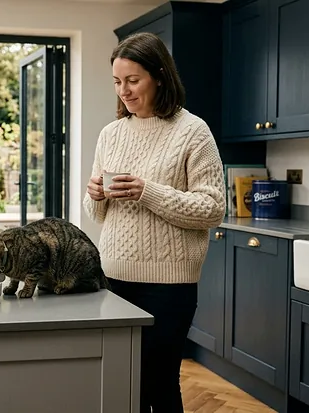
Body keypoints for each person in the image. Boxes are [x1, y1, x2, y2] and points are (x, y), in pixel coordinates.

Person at [83, 32, 226, 412]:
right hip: (112, 277)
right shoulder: (111, 134)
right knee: (118, 379)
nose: (124, 91)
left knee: (157, 382)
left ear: (159, 76)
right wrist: (95, 195)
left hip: (169, 283)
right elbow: (95, 213)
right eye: (117, 82)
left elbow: (213, 208)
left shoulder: (193, 131)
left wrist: (149, 191)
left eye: (133, 80)